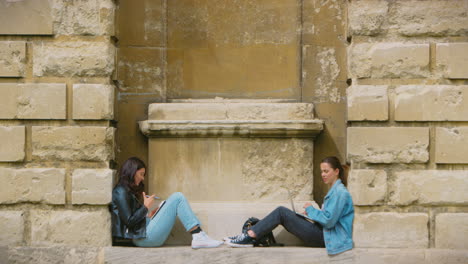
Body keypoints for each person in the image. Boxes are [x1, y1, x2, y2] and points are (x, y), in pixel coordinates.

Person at [226, 156, 354, 255]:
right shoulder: (335, 191)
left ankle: (249, 236)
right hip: (325, 234)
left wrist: (311, 210)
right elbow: (328, 217)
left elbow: (329, 221)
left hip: (328, 238)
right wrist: (310, 214)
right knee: (283, 213)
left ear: (336, 171)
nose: (323, 175)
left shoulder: (340, 193)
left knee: (281, 212)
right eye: (321, 171)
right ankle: (248, 235)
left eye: (326, 171)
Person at [110, 157, 223, 249]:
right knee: (177, 197)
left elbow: (132, 219)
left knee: (173, 200)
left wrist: (148, 215)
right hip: (144, 238)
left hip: (143, 234)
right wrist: (145, 207)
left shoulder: (126, 191)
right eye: (141, 174)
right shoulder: (120, 191)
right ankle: (198, 236)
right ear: (132, 172)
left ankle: (199, 236)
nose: (143, 178)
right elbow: (129, 221)